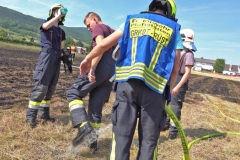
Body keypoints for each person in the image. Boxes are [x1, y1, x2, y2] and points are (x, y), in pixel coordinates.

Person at [79, 0, 183, 159]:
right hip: (155, 91)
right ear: (171, 13)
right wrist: (168, 93)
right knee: (149, 141)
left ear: (151, 7)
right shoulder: (174, 29)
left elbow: (104, 44)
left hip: (127, 85)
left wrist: (87, 60)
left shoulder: (132, 20)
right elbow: (175, 68)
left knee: (121, 138)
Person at [66, 12, 115, 150]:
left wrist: (92, 68)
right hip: (111, 71)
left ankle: (83, 127)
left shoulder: (99, 27)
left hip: (100, 65)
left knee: (73, 93)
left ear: (95, 19)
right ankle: (92, 143)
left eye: (88, 25)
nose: (88, 29)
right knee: (95, 108)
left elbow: (100, 46)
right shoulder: (112, 31)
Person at [26, 4, 66, 128]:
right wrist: (58, 15)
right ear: (53, 12)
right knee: (41, 87)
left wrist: (66, 56)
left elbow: (62, 46)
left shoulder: (61, 31)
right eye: (57, 10)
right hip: (47, 56)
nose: (60, 12)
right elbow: (45, 26)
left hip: (57, 57)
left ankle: (44, 114)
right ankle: (31, 116)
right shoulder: (46, 24)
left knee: (51, 88)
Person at [168, 28, 197, 139]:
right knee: (167, 103)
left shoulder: (188, 54)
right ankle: (165, 124)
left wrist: (177, 86)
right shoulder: (178, 51)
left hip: (179, 80)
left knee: (175, 107)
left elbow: (188, 72)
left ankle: (173, 130)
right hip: (173, 78)